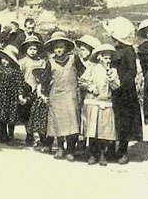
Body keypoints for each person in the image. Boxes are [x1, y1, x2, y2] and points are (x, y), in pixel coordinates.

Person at [104, 16, 143, 164]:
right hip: (115, 90)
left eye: (114, 36)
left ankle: (123, 151)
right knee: (114, 121)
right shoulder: (115, 49)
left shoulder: (128, 51)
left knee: (125, 121)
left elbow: (131, 72)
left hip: (126, 92)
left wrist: (120, 83)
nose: (112, 38)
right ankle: (112, 149)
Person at [40, 32, 85, 160]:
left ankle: (71, 150)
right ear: (53, 49)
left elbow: (84, 73)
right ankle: (60, 148)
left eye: (61, 47)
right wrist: (44, 93)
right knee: (57, 123)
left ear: (66, 47)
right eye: (56, 47)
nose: (59, 50)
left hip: (71, 94)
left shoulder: (74, 59)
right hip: (56, 95)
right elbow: (45, 79)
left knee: (73, 122)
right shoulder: (50, 61)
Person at [80, 44, 120, 166]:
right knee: (92, 130)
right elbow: (82, 82)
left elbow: (116, 86)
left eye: (109, 58)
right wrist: (91, 87)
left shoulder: (113, 71)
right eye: (105, 58)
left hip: (106, 102)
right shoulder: (92, 68)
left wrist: (111, 79)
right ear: (99, 57)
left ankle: (103, 154)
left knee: (104, 130)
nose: (108, 61)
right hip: (93, 102)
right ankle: (92, 154)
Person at [0, 45, 23, 144]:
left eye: (7, 59)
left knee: (11, 117)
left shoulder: (16, 71)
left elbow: (19, 84)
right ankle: (1, 135)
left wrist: (20, 95)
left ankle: (10, 136)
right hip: (0, 96)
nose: (4, 61)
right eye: (3, 59)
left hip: (11, 97)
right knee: (0, 116)